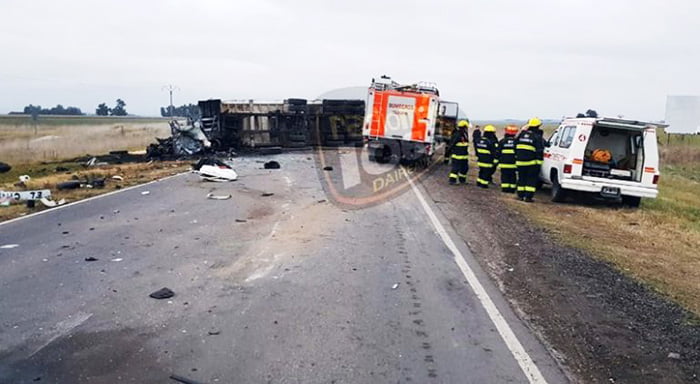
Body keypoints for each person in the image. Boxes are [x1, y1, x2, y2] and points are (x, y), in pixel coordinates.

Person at [516, 118, 545, 202]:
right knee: (531, 180)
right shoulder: (537, 137)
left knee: (521, 179)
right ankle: (528, 197)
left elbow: (515, 143)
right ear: (537, 126)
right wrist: (539, 163)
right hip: (532, 163)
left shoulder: (521, 135)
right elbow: (539, 150)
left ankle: (520, 195)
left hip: (520, 162)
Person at [447, 120, 470, 184]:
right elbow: (452, 144)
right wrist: (448, 152)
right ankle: (452, 180)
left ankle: (462, 180)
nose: (466, 129)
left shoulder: (465, 134)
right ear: (464, 127)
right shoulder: (457, 134)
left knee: (465, 168)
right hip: (457, 155)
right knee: (455, 168)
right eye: (466, 127)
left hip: (464, 155)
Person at [498, 125, 518, 193]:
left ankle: (505, 189)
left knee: (504, 176)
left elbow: (498, 152)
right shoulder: (517, 141)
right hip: (513, 163)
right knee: (512, 176)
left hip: (503, 163)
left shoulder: (502, 141)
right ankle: (512, 189)